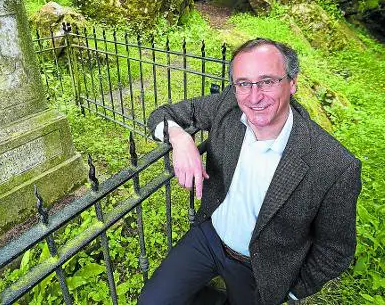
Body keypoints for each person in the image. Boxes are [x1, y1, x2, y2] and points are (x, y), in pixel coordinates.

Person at [138, 38, 362, 305]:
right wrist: (179, 137)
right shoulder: (228, 107)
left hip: (264, 268)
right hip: (210, 238)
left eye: (267, 81)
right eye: (243, 83)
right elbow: (160, 114)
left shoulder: (334, 165)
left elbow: (336, 250)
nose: (254, 97)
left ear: (292, 82)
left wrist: (290, 292)